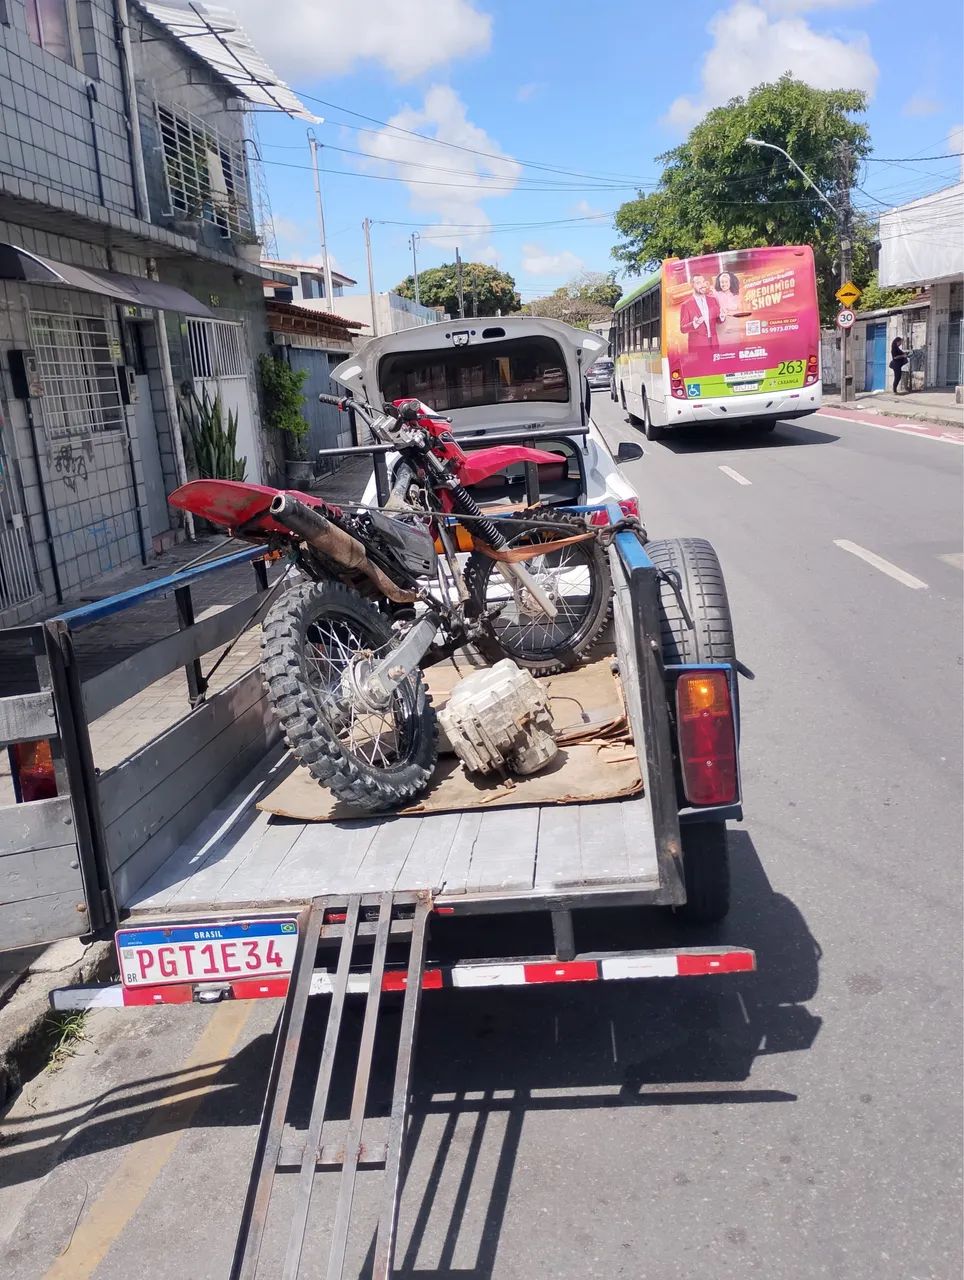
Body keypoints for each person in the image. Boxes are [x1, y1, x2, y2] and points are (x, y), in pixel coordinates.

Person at [679, 274, 723, 352]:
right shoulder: (686, 305)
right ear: (692, 285)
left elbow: (718, 320)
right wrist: (694, 323)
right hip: (697, 347)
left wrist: (722, 317)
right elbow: (683, 329)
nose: (703, 285)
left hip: (714, 344)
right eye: (698, 283)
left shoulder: (713, 300)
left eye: (703, 282)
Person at [713, 269, 741, 335]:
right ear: (719, 283)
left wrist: (729, 309)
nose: (724, 284)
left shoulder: (735, 294)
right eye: (722, 282)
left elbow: (739, 307)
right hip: (720, 323)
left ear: (730, 283)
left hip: (734, 322)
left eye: (726, 282)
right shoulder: (716, 294)